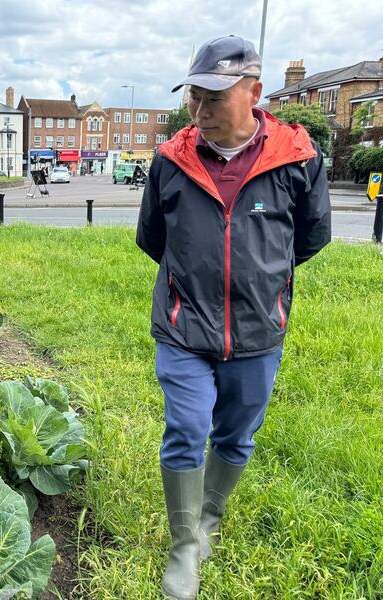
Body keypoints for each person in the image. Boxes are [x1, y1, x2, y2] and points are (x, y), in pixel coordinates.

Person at [136, 35, 331, 599]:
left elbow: (310, 236)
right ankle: (182, 550)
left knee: (236, 434)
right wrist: (193, 284)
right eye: (194, 97)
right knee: (187, 428)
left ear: (255, 93)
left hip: (257, 331)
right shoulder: (170, 161)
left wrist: (260, 282)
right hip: (184, 326)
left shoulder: (299, 160)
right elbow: (153, 238)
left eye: (213, 99)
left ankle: (208, 522)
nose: (200, 112)